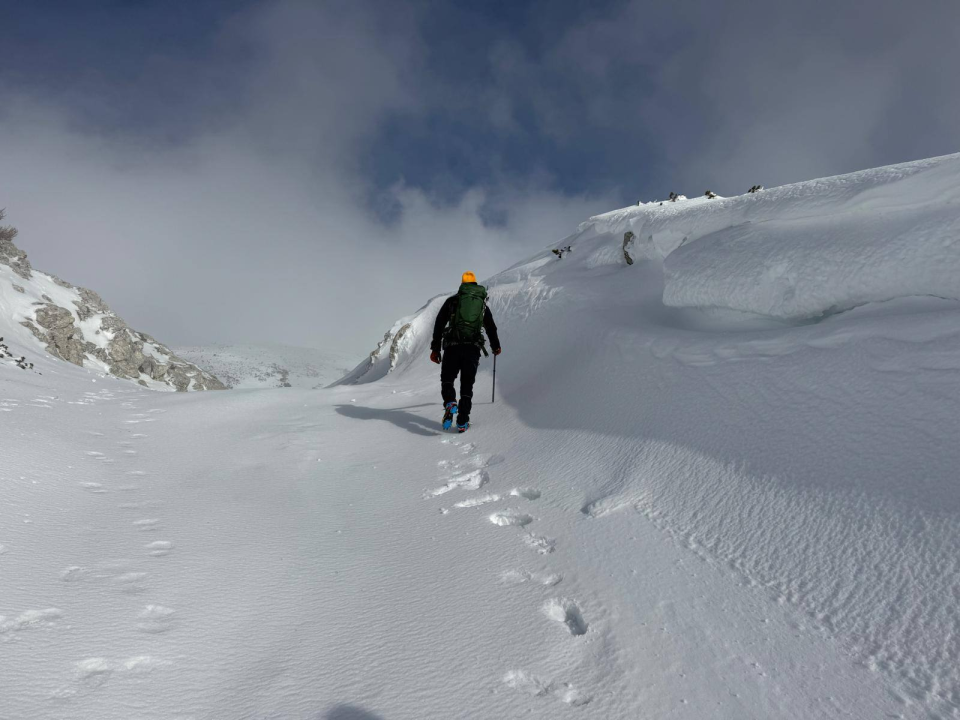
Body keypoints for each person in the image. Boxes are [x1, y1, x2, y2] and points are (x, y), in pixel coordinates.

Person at [430, 271, 501, 432]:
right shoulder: (482, 305)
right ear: (475, 284)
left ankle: (450, 402)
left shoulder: (453, 301)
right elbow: (491, 327)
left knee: (447, 379)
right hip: (472, 349)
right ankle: (462, 422)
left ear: (462, 284)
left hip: (452, 347)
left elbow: (439, 325)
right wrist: (495, 346)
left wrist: (435, 349)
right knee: (467, 386)